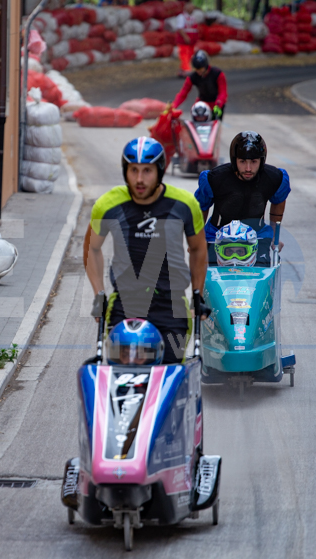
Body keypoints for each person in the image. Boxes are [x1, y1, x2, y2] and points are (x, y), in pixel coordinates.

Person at [85, 137, 210, 364]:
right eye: (133, 170)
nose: (139, 179)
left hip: (171, 308)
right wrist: (99, 295)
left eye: (147, 171)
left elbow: (198, 249)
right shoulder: (108, 205)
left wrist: (197, 294)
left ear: (160, 171)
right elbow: (91, 248)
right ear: (125, 171)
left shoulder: (185, 204)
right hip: (124, 305)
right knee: (121, 373)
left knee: (170, 373)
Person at [194, 131, 290, 264]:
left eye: (254, 162)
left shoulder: (275, 178)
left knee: (264, 268)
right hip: (216, 234)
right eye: (243, 161)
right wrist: (196, 239)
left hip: (258, 235)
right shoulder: (214, 179)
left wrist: (275, 236)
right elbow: (201, 208)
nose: (248, 168)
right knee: (204, 270)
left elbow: (279, 201)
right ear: (234, 160)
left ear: (262, 161)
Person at [171, 50, 228, 120]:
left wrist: (219, 104)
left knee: (215, 122)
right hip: (202, 104)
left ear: (205, 65)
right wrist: (173, 106)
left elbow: (223, 92)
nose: (199, 72)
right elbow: (183, 93)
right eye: (196, 69)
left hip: (217, 104)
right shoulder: (193, 77)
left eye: (201, 69)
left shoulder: (218, 74)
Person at [173, 2, 199, 78]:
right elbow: (180, 28)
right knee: (184, 55)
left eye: (193, 8)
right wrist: (185, 37)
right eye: (190, 8)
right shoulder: (181, 17)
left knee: (190, 55)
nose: (192, 9)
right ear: (185, 8)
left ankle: (181, 71)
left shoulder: (193, 17)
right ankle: (187, 70)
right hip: (183, 41)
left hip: (192, 40)